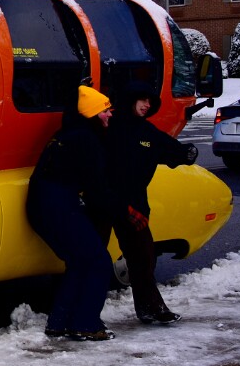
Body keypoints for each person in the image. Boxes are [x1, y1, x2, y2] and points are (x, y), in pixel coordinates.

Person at [26, 85, 119, 341]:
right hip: (59, 206)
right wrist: (121, 210)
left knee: (79, 262)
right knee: (99, 262)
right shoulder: (87, 139)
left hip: (41, 205)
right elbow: (96, 187)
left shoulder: (65, 134)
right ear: (91, 113)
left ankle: (59, 323)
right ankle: (86, 324)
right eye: (105, 110)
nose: (110, 114)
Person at [104, 80, 199, 325]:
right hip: (104, 203)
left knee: (143, 257)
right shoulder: (108, 127)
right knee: (93, 260)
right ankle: (81, 316)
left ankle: (152, 308)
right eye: (143, 100)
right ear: (129, 100)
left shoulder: (146, 131)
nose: (147, 105)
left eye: (150, 102)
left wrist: (186, 153)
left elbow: (169, 149)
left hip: (134, 209)